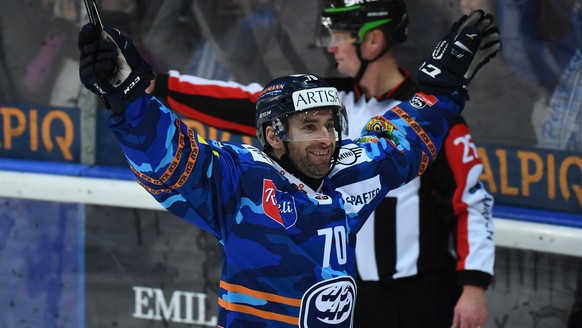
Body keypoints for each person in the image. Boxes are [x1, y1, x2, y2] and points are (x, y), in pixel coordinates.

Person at [77, 9, 500, 327]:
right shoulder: (241, 180)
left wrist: (438, 91)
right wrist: (131, 102)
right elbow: (173, 163)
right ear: (274, 136)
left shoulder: (348, 173)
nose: (326, 138)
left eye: (331, 125)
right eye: (309, 127)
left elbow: (397, 143)